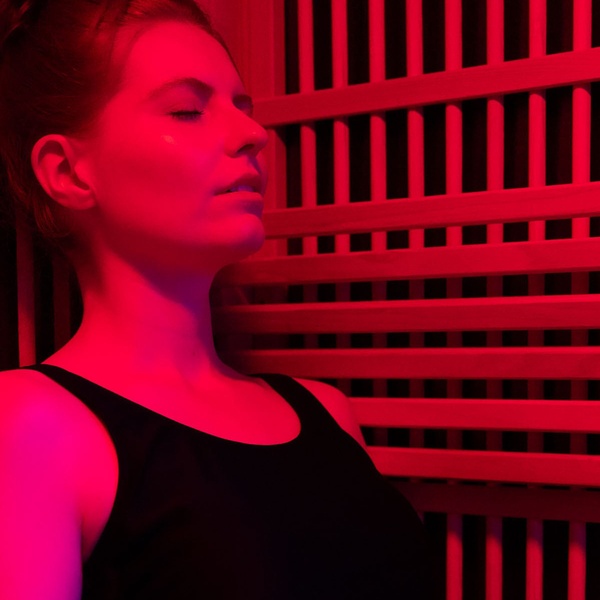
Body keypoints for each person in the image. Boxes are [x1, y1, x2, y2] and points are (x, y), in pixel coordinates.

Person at [0, 1, 430, 598]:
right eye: (188, 110)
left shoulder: (326, 412)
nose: (253, 135)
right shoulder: (32, 425)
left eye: (242, 108)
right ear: (68, 173)